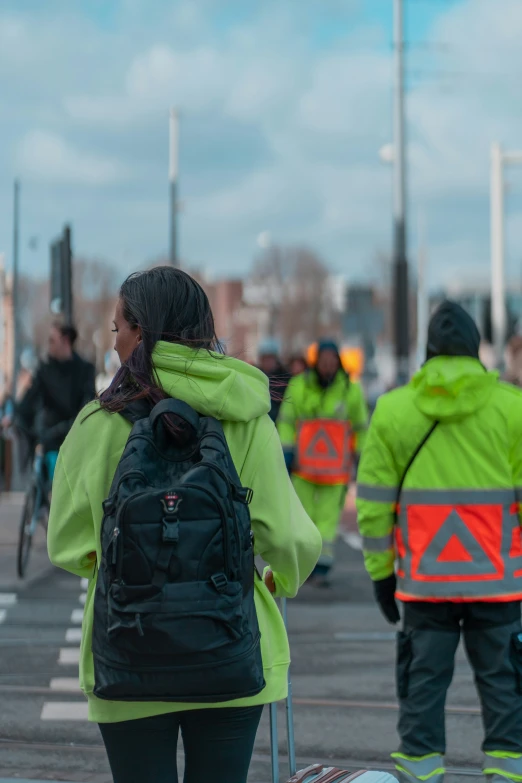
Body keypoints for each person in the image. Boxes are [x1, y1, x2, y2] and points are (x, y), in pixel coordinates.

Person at [47, 267, 321, 783]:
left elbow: (67, 545)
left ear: (141, 334)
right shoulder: (248, 417)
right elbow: (288, 537)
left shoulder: (96, 423)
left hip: (127, 654)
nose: (113, 346)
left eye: (117, 331)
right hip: (231, 650)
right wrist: (280, 578)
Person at [356, 300, 522, 783]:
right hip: (499, 586)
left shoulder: (393, 410)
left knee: (422, 697)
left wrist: (382, 575)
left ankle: (423, 775)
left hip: (424, 586)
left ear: (428, 352)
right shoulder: (512, 409)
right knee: (506, 696)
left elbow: (372, 506)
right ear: (476, 351)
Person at [278, 339, 368, 586]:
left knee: (327, 522)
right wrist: (287, 451)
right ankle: (305, 565)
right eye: (324, 362)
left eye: (332, 362)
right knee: (303, 518)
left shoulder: (351, 390)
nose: (328, 367)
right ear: (316, 362)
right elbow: (287, 421)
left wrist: (360, 456)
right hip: (303, 469)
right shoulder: (299, 386)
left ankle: (322, 567)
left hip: (335, 472)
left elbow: (360, 427)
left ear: (338, 363)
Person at [15, 323, 96, 483]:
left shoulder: (85, 370)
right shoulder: (44, 370)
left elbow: (87, 406)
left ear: (65, 341)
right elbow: (28, 400)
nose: (49, 345)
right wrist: (15, 417)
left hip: (75, 440)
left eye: (52, 340)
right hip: (49, 441)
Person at [257, 338, 291, 423]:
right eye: (265, 358)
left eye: (270, 358)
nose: (267, 361)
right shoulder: (255, 377)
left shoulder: (285, 378)